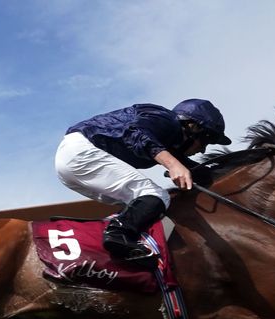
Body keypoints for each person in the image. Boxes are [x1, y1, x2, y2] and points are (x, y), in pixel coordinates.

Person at [55, 98, 231, 267]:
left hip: (71, 163)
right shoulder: (166, 120)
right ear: (193, 128)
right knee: (155, 195)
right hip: (81, 151)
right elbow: (136, 133)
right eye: (205, 141)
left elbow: (199, 172)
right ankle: (118, 236)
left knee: (142, 205)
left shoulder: (167, 142)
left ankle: (120, 245)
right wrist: (172, 164)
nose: (203, 149)